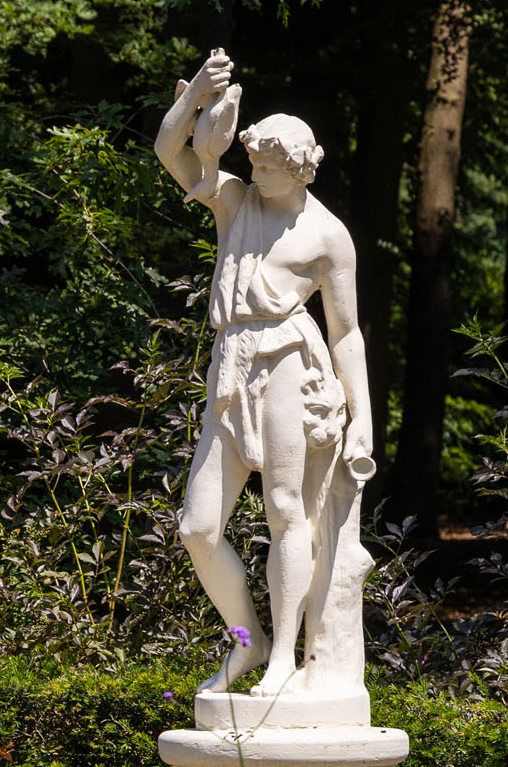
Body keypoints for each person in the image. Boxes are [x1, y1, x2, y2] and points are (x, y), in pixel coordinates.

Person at [153, 48, 373, 699]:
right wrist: (196, 93)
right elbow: (169, 150)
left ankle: (285, 660)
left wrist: (363, 416)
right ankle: (248, 642)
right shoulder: (234, 201)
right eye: (253, 163)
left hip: (287, 366)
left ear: (301, 169)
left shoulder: (328, 236)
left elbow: (347, 332)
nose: (257, 174)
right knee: (197, 527)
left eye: (270, 168)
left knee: (284, 510)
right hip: (231, 364)